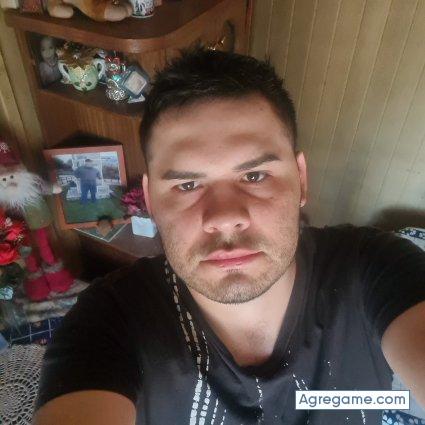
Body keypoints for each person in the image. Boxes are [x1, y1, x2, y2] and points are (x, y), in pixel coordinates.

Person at [33, 49, 425, 425]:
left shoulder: (374, 268)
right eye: (187, 185)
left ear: (301, 180)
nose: (224, 218)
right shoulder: (108, 324)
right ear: (150, 200)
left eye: (255, 176)